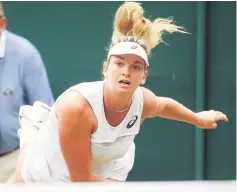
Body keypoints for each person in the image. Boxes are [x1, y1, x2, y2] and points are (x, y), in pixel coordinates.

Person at [16, 2, 228, 183]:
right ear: (105, 69)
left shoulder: (144, 101)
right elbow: (82, 181)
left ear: (144, 76)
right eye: (119, 63)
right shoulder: (77, 108)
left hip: (105, 161)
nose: (126, 72)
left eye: (136, 67)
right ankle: (33, 127)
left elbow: (164, 105)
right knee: (31, 161)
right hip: (46, 175)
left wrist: (198, 119)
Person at [0, 2, 54, 183]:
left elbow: (45, 115)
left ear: (2, 24)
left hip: (15, 161)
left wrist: (27, 167)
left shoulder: (25, 55)